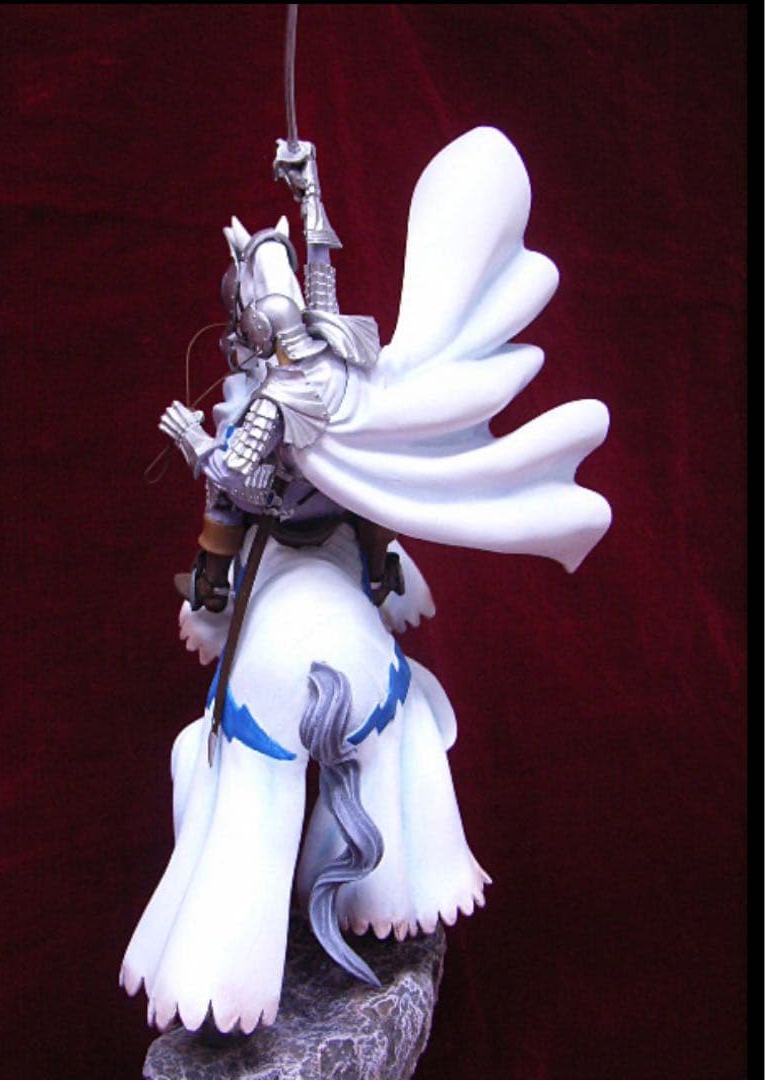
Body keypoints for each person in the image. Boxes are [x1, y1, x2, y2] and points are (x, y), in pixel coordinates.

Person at [121, 127, 611, 1036]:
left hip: (297, 528)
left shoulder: (275, 396)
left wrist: (196, 445)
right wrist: (307, 193)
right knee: (390, 662)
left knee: (226, 707)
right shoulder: (341, 364)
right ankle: (396, 876)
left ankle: (220, 952)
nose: (297, 307)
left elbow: (243, 486)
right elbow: (321, 285)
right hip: (346, 527)